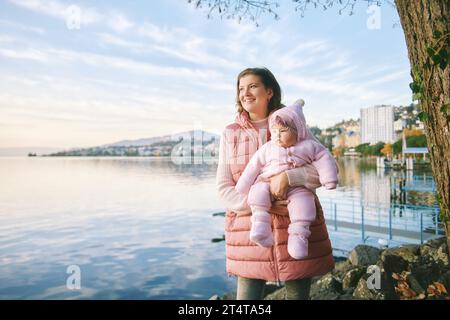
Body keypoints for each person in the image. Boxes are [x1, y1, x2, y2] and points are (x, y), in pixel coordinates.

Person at [216, 67, 335, 300]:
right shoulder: (230, 134)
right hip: (249, 231)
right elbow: (223, 188)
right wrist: (262, 204)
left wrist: (288, 177)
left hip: (297, 227)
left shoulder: (293, 124)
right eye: (241, 88)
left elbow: (323, 166)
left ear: (269, 91)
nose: (245, 93)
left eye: (252, 86)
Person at [235, 99, 338, 260]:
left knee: (304, 204)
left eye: (282, 131)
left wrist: (329, 178)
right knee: (258, 193)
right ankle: (260, 227)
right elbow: (253, 166)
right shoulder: (268, 147)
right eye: (274, 131)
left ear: (298, 130)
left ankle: (299, 237)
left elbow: (325, 158)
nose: (277, 135)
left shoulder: (309, 145)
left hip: (298, 188)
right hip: (267, 182)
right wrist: (243, 186)